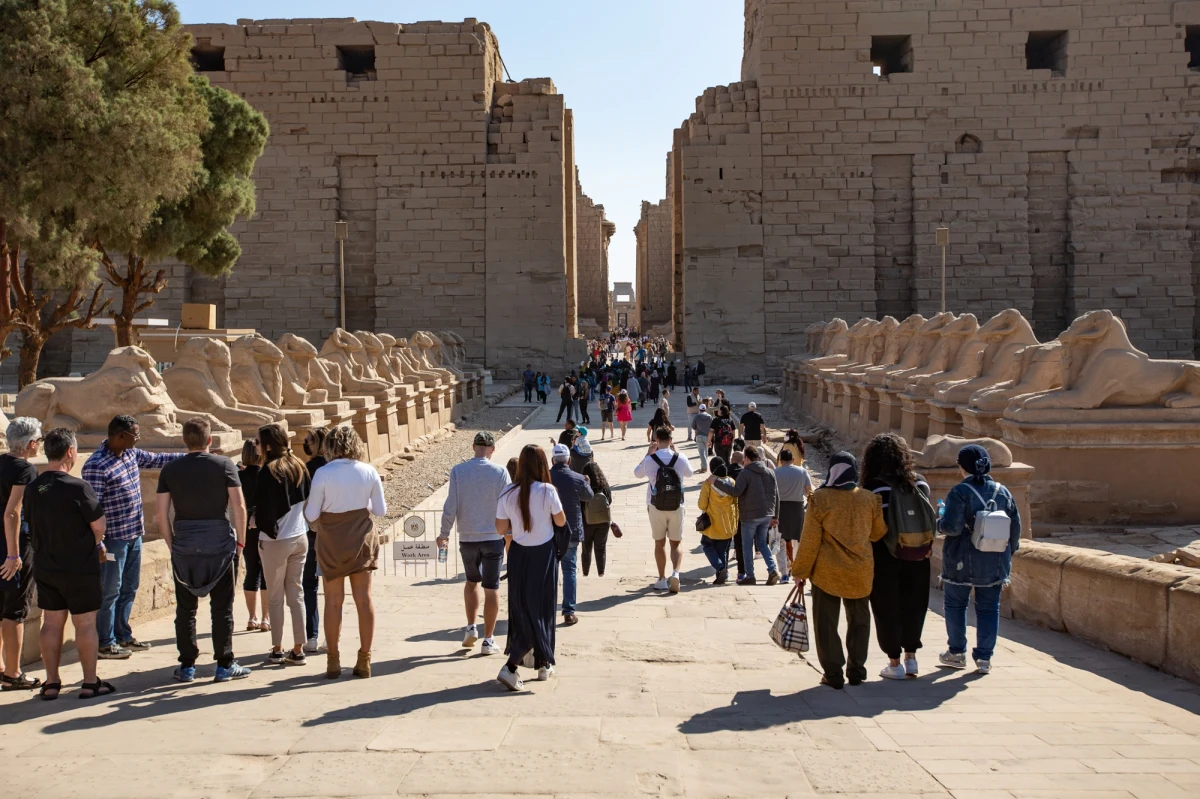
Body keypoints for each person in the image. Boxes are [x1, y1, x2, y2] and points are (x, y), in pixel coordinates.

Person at [156, 417, 250, 683]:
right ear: (210, 440)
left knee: (185, 610)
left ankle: (186, 666)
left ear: (186, 440)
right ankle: (224, 664)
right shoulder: (225, 465)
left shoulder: (170, 469)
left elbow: (160, 515)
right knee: (223, 609)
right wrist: (240, 543)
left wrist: (171, 544)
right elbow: (239, 507)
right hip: (219, 543)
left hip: (184, 544)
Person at [83, 415, 183, 660]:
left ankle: (123, 635)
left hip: (134, 536)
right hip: (113, 540)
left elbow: (159, 460)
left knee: (129, 588)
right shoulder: (96, 465)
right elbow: (91, 509)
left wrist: (193, 457)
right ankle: (105, 642)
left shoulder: (131, 454)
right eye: (135, 435)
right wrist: (99, 543)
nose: (138, 439)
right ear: (120, 436)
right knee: (110, 591)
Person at [791, 451, 887, 689]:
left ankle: (833, 673)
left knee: (826, 623)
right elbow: (878, 533)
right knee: (860, 621)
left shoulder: (820, 498)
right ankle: (857, 670)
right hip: (860, 571)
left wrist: (800, 571)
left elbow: (811, 539)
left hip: (827, 572)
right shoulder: (869, 499)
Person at [27, 429, 110, 699]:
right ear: (70, 452)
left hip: (46, 565)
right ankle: (89, 682)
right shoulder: (77, 487)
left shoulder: (34, 488)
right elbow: (98, 526)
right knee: (85, 623)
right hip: (79, 566)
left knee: (51, 623)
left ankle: (51, 682)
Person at [305, 425, 386, 679]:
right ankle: (364, 659)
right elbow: (380, 510)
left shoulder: (323, 473)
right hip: (361, 538)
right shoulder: (368, 470)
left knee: (332, 602)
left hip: (331, 541)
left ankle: (333, 660)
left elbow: (311, 514)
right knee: (364, 599)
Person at [938, 444, 1021, 675]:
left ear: (961, 467)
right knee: (988, 608)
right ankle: (984, 659)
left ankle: (956, 652)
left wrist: (939, 523)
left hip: (960, 560)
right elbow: (1015, 531)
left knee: (956, 605)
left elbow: (952, 528)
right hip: (994, 562)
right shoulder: (1003, 492)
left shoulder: (959, 492)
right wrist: (1006, 556)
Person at [861, 433, 933, 680]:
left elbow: (869, 526)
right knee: (914, 605)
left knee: (886, 607)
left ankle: (894, 663)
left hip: (885, 555)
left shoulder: (873, 487)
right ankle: (911, 658)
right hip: (919, 552)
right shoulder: (920, 484)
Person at [495, 445, 566, 691]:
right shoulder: (548, 490)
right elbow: (560, 521)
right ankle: (512, 665)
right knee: (543, 609)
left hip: (518, 554)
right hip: (543, 555)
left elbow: (501, 529)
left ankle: (543, 661)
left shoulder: (507, 492)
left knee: (523, 608)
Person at [439, 431, 509, 655]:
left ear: (473, 447)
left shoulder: (459, 471)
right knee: (492, 588)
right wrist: (511, 533)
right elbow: (508, 503)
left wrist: (444, 532)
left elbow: (451, 504)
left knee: (471, 582)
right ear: (492, 449)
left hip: (468, 537)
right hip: (492, 536)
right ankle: (488, 640)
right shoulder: (500, 472)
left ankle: (471, 628)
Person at [252, 423, 311, 668]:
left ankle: (277, 648)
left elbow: (267, 512)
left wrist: (254, 522)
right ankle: (298, 648)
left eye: (257, 442)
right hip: (300, 535)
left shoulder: (268, 471)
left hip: (277, 540)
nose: (255, 445)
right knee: (296, 594)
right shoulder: (298, 465)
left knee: (275, 597)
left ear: (267, 445)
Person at [0, 417, 42, 691]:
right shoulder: (25, 470)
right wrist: (13, 555)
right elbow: (13, 511)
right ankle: (13, 673)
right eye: (38, 440)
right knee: (14, 609)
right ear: (29, 444)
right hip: (13, 547)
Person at [633, 427, 694, 594]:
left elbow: (637, 474)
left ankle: (661, 578)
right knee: (676, 542)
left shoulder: (651, 459)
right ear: (671, 439)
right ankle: (675, 573)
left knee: (659, 543)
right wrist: (678, 452)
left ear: (657, 440)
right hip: (677, 505)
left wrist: (648, 452)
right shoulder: (680, 458)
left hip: (655, 505)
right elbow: (690, 473)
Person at [709, 445, 780, 586]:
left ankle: (750, 575)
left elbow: (735, 491)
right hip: (767, 514)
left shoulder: (745, 473)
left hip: (750, 515)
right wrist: (775, 515)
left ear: (746, 458)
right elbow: (777, 495)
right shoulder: (770, 472)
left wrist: (716, 482)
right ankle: (772, 569)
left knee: (747, 545)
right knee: (762, 543)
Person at [549, 444, 594, 626]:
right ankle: (568, 611)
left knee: (550, 571)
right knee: (569, 570)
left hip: (549, 532)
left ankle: (547, 609)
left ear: (552, 460)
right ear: (569, 460)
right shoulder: (577, 478)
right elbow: (589, 496)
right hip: (572, 531)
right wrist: (587, 482)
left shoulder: (545, 478)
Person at [301, 427, 329, 652]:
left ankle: (312, 635)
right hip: (335, 533)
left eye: (307, 440)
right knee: (332, 587)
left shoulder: (308, 469)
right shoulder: (334, 467)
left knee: (309, 585)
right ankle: (331, 636)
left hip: (312, 531)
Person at [238, 440, 269, 634]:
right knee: (266, 574)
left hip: (245, 528)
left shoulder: (238, 476)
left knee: (251, 571)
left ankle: (252, 617)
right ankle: (266, 618)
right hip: (265, 527)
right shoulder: (267, 475)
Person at [774, 449, 814, 582]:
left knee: (780, 540)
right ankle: (796, 567)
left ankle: (784, 573)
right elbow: (809, 491)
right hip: (797, 508)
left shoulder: (775, 473)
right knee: (797, 540)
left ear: (780, 460)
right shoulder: (802, 471)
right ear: (793, 460)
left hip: (780, 508)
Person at [697, 457, 738, 585]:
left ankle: (720, 568)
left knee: (707, 544)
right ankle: (723, 574)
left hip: (713, 523)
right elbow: (736, 503)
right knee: (723, 550)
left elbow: (702, 505)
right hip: (728, 522)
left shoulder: (708, 484)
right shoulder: (731, 482)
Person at [580, 459, 618, 577]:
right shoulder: (604, 485)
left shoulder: (584, 485)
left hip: (587, 521)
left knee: (586, 548)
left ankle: (585, 573)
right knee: (600, 547)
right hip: (603, 520)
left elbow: (580, 502)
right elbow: (609, 501)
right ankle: (601, 572)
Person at [689, 404, 714, 473]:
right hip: (707, 436)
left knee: (701, 452)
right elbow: (712, 427)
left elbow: (693, 426)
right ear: (705, 409)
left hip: (699, 435)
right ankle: (703, 466)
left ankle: (704, 467)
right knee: (705, 452)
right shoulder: (710, 417)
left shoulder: (697, 416)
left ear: (699, 409)